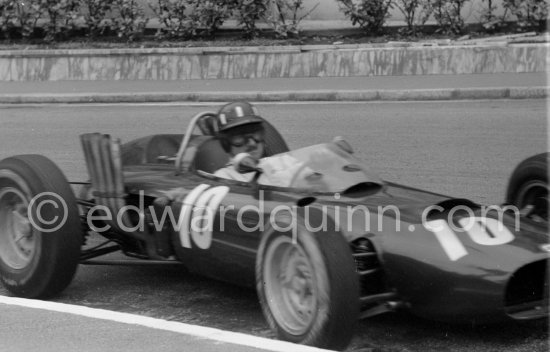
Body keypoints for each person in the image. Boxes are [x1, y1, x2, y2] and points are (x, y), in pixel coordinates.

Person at [213, 102, 315, 187]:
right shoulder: (223, 176)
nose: (252, 143)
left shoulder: (285, 161)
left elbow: (319, 184)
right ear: (226, 143)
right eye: (240, 138)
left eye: (255, 134)